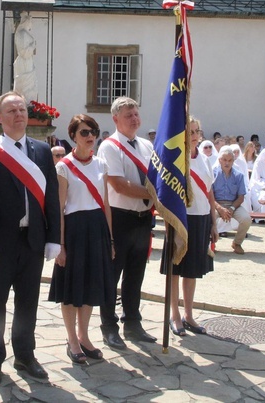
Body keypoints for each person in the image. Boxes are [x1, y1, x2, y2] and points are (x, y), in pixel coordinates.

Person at [0, 91, 61, 385]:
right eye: (11, 110)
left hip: (32, 241)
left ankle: (25, 354)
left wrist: (53, 238)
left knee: (27, 303)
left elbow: (52, 199)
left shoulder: (42, 151)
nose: (19, 114)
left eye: (22, 109)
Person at [49, 114, 113, 364]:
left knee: (90, 285)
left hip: (97, 229)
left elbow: (106, 204)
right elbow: (60, 208)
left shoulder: (101, 165)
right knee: (71, 288)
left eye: (93, 132)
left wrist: (111, 240)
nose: (90, 137)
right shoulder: (63, 166)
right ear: (73, 136)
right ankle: (71, 340)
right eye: (84, 132)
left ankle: (84, 337)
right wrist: (60, 245)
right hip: (74, 230)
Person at [97, 96, 156, 350]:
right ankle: (109, 327)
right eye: (128, 115)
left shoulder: (146, 146)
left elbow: (156, 179)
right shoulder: (109, 147)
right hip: (120, 219)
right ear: (115, 119)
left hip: (143, 219)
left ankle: (132, 322)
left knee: (135, 275)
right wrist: (154, 196)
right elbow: (119, 185)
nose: (134, 118)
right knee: (112, 275)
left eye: (136, 113)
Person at [162, 117, 218, 336]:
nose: (194, 135)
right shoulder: (177, 158)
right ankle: (174, 315)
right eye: (190, 131)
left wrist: (213, 222)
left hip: (201, 218)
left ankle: (189, 314)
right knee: (176, 268)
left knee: (192, 270)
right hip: (182, 219)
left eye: (197, 131)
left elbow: (209, 191)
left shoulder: (204, 159)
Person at [212, 146, 251, 254]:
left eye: (230, 160)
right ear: (220, 160)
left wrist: (232, 208)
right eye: (224, 160)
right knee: (209, 218)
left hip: (233, 204)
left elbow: (241, 196)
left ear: (233, 161)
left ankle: (237, 243)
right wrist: (220, 208)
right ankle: (211, 243)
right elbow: (209, 195)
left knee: (246, 219)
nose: (227, 163)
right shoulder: (213, 174)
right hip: (216, 204)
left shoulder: (239, 175)